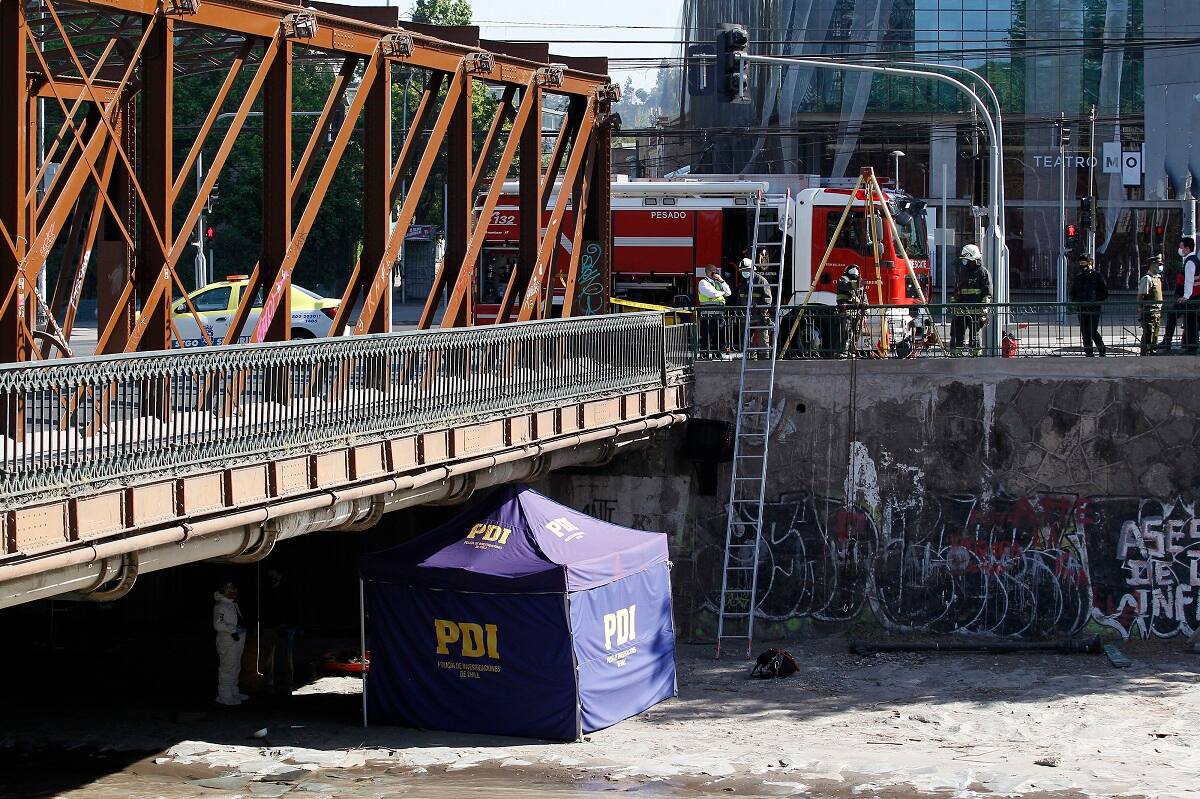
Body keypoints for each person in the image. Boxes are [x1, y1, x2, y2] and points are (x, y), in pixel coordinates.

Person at [260, 568, 298, 696]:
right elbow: (265, 608)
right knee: (269, 656)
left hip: (286, 626)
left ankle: (288, 682)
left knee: (286, 655)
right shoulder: (266, 588)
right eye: (270, 574)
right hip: (270, 626)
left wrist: (287, 625)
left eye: (274, 573)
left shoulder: (287, 589)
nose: (271, 576)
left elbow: (292, 608)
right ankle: (269, 682)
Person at [949, 244, 992, 355]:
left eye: (966, 260)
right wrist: (953, 305)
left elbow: (987, 294)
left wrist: (984, 310)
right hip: (961, 311)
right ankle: (955, 354)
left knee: (975, 336)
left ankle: (975, 357)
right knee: (956, 333)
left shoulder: (983, 273)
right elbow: (957, 291)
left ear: (972, 259)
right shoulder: (962, 272)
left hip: (976, 312)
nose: (964, 262)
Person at [213, 580, 248, 706]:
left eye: (234, 587)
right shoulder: (221, 605)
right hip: (228, 640)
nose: (233, 590)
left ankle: (234, 692)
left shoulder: (233, 604)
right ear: (223, 590)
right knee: (227, 667)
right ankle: (225, 696)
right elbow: (218, 624)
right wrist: (232, 630)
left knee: (236, 666)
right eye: (229, 588)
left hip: (238, 638)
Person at [1069, 255, 1109, 357]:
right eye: (1081, 264)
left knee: (1092, 330)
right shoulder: (1079, 277)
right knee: (1085, 332)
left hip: (1093, 307)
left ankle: (1101, 350)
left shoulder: (1097, 276)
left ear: (1090, 263)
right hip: (1082, 307)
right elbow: (1073, 292)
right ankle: (1089, 353)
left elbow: (1104, 292)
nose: (1082, 266)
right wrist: (1076, 301)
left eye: (1084, 263)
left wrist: (1095, 300)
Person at [739, 257, 774, 358]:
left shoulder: (761, 281)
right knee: (746, 341)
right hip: (747, 316)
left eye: (746, 270)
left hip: (760, 316)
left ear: (752, 269)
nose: (744, 272)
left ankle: (765, 359)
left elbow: (767, 299)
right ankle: (751, 359)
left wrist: (761, 309)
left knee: (763, 340)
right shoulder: (742, 282)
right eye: (742, 271)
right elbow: (740, 299)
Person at [697, 265, 731, 357]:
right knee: (706, 336)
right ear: (708, 272)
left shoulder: (718, 283)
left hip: (719, 315)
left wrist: (722, 281)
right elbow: (712, 294)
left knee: (719, 335)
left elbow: (729, 292)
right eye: (714, 271)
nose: (716, 273)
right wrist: (722, 293)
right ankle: (704, 354)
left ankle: (717, 353)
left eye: (716, 271)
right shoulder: (703, 282)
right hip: (707, 314)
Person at [832, 265, 867, 357]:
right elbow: (845, 286)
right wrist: (857, 284)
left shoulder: (859, 285)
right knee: (844, 332)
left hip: (856, 313)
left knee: (854, 333)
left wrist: (865, 312)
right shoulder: (843, 280)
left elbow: (864, 298)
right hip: (845, 312)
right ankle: (841, 351)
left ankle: (851, 351)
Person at [1158, 252, 1187, 351]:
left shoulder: (1191, 263)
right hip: (1183, 298)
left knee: (1176, 315)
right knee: (1174, 315)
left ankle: (1169, 340)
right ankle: (1168, 340)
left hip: (1186, 298)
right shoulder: (1187, 264)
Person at [1137, 255, 1164, 356]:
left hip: (1156, 312)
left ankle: (1152, 351)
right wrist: (1140, 311)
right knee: (1148, 333)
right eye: (1159, 264)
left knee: (1155, 334)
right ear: (1152, 265)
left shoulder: (1157, 278)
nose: (1160, 266)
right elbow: (1140, 297)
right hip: (1148, 311)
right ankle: (1145, 353)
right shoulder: (1147, 279)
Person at [1178, 237, 1200, 355]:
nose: (1180, 249)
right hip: (1193, 297)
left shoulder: (1190, 261)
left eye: (1181, 247)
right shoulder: (1193, 259)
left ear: (1186, 248)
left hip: (1191, 298)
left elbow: (1189, 281)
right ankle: (1188, 344)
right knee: (1190, 322)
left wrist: (1186, 296)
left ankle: (1167, 339)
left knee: (1174, 315)